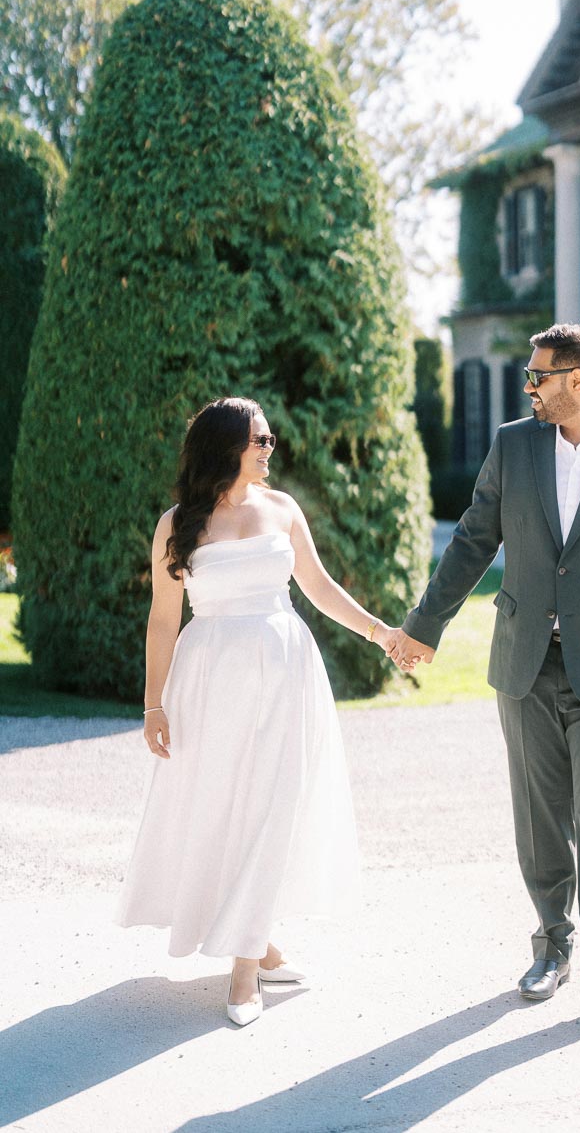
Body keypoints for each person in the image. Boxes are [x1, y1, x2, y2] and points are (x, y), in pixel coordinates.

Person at [389, 323, 580, 1033]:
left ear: (579, 380)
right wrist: (423, 627)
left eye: (539, 377)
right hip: (524, 663)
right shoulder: (514, 445)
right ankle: (551, 946)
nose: (528, 387)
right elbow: (473, 540)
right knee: (539, 821)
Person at [116, 397, 405, 1026]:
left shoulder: (283, 509)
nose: (270, 449)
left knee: (275, 804)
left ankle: (245, 968)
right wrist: (153, 704)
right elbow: (164, 621)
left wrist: (381, 633)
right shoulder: (178, 523)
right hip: (210, 676)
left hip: (284, 671)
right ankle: (261, 943)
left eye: (270, 439)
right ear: (226, 446)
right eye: (260, 440)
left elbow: (319, 589)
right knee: (222, 807)